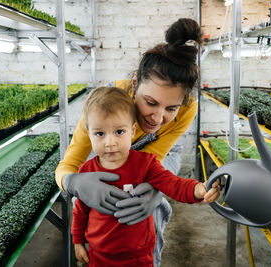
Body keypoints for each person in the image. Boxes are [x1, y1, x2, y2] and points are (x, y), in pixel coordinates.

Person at [56, 18, 207, 266]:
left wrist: (158, 190)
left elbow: (155, 159)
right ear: (135, 83)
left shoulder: (187, 109)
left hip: (158, 155)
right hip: (113, 151)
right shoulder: (104, 108)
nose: (157, 118)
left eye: (171, 108)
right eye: (150, 102)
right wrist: (73, 182)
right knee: (94, 196)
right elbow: (68, 164)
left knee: (151, 209)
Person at [71, 86, 220, 266]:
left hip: (139, 256)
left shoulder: (146, 164)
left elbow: (174, 184)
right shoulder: (87, 172)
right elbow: (80, 211)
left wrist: (198, 189)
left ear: (132, 131)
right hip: (99, 255)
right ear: (89, 134)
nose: (110, 143)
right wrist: (78, 242)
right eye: (100, 134)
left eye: (119, 132)